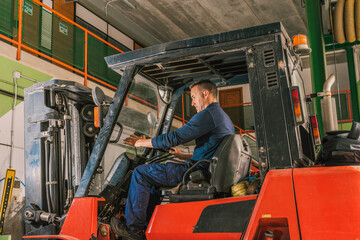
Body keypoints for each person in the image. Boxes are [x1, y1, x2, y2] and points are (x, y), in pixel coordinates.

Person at [113, 80, 235, 239]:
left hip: (195, 171)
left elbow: (176, 137)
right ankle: (148, 226)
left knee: (140, 173)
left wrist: (141, 142)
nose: (192, 103)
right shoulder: (224, 118)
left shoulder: (208, 114)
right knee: (153, 180)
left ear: (206, 94)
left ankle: (133, 230)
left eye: (193, 97)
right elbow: (213, 152)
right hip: (204, 168)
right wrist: (184, 155)